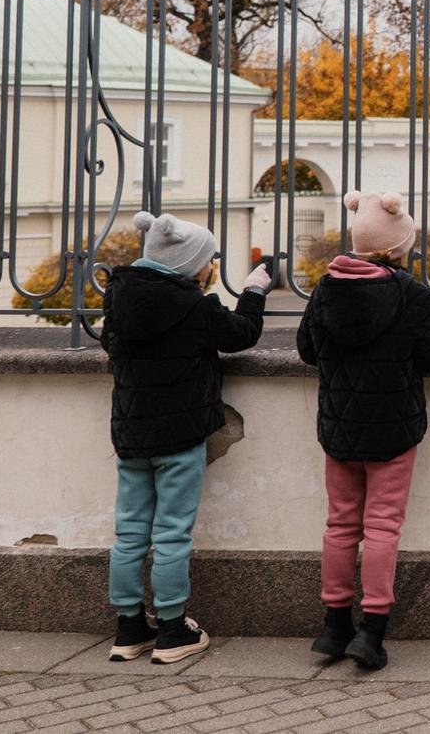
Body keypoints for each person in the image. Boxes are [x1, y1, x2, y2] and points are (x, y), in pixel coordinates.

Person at [297, 191, 430, 671]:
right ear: (400, 247)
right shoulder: (411, 295)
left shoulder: (326, 289)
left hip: (339, 429)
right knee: (382, 526)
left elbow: (307, 349)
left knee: (341, 524)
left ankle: (333, 626)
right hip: (393, 429)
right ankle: (372, 632)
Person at [102, 211, 268, 664]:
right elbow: (242, 335)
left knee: (130, 531)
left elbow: (111, 346)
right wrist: (253, 291)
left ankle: (128, 627)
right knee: (172, 533)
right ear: (194, 265)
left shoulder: (118, 295)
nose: (212, 265)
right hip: (179, 437)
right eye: (209, 259)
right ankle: (173, 630)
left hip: (131, 434)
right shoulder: (194, 305)